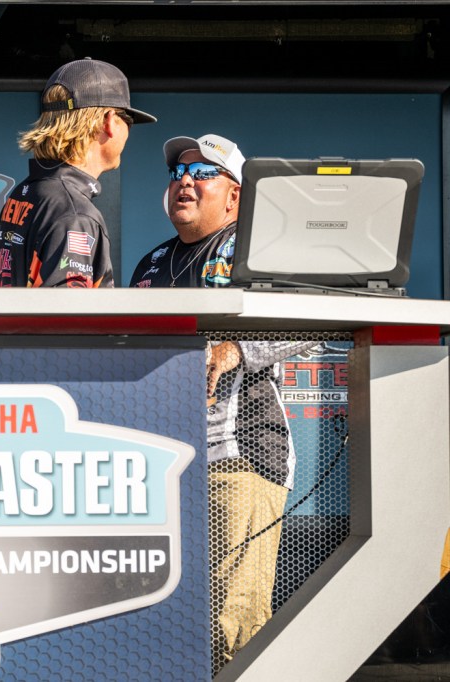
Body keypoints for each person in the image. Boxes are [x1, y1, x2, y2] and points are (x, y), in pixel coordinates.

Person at [129, 133, 316, 673]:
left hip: (238, 460)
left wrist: (238, 346)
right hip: (164, 467)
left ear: (235, 193)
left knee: (231, 625)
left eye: (203, 173)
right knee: (171, 617)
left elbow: (316, 314)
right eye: (177, 173)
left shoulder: (256, 249)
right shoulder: (152, 262)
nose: (184, 181)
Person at [0, 58, 155, 288]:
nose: (129, 130)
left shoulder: (25, 191)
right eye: (128, 120)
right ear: (108, 121)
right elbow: (67, 310)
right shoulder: (75, 213)